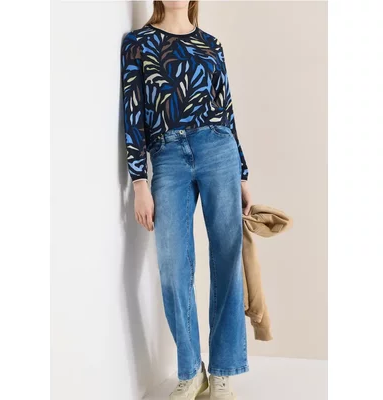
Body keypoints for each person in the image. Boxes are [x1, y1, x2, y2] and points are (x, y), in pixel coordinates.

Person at [121, 1, 252, 399]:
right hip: (167, 156)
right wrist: (139, 181)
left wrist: (242, 173)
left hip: (218, 149)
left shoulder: (212, 44)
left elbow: (227, 111)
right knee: (173, 265)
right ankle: (191, 371)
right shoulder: (138, 43)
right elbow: (133, 112)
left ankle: (223, 371)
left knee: (227, 259)